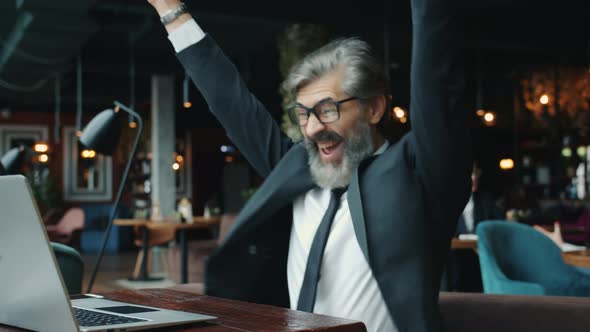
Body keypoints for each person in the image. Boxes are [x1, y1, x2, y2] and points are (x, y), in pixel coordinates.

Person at [147, 0, 470, 331]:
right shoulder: (297, 167)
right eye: (303, 115)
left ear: (374, 108)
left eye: (328, 109)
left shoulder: (420, 174)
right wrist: (170, 10)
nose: (314, 128)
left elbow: (439, 79)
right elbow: (230, 100)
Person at [449, 162, 503, 292]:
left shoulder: (486, 199)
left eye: (475, 173)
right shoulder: (449, 202)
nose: (473, 178)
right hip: (456, 258)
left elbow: (499, 224)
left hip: (481, 256)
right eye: (469, 174)